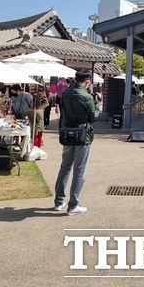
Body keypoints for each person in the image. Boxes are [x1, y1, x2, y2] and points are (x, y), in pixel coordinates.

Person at [53, 70, 98, 215]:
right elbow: (93, 117)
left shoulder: (66, 93)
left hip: (67, 132)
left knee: (65, 167)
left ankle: (59, 201)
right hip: (82, 135)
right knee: (79, 170)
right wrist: (97, 104)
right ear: (87, 81)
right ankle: (73, 205)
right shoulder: (87, 96)